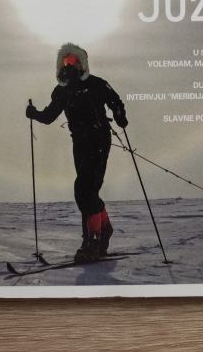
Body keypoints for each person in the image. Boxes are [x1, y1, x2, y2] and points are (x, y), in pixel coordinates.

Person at [26, 43, 128, 263]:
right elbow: (49, 116)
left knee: (85, 189)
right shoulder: (62, 91)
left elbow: (115, 101)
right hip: (80, 143)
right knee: (87, 191)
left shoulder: (97, 84)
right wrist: (33, 113)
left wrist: (120, 115)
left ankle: (93, 241)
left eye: (74, 61)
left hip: (99, 140)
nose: (70, 65)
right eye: (66, 61)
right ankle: (103, 231)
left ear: (83, 64)